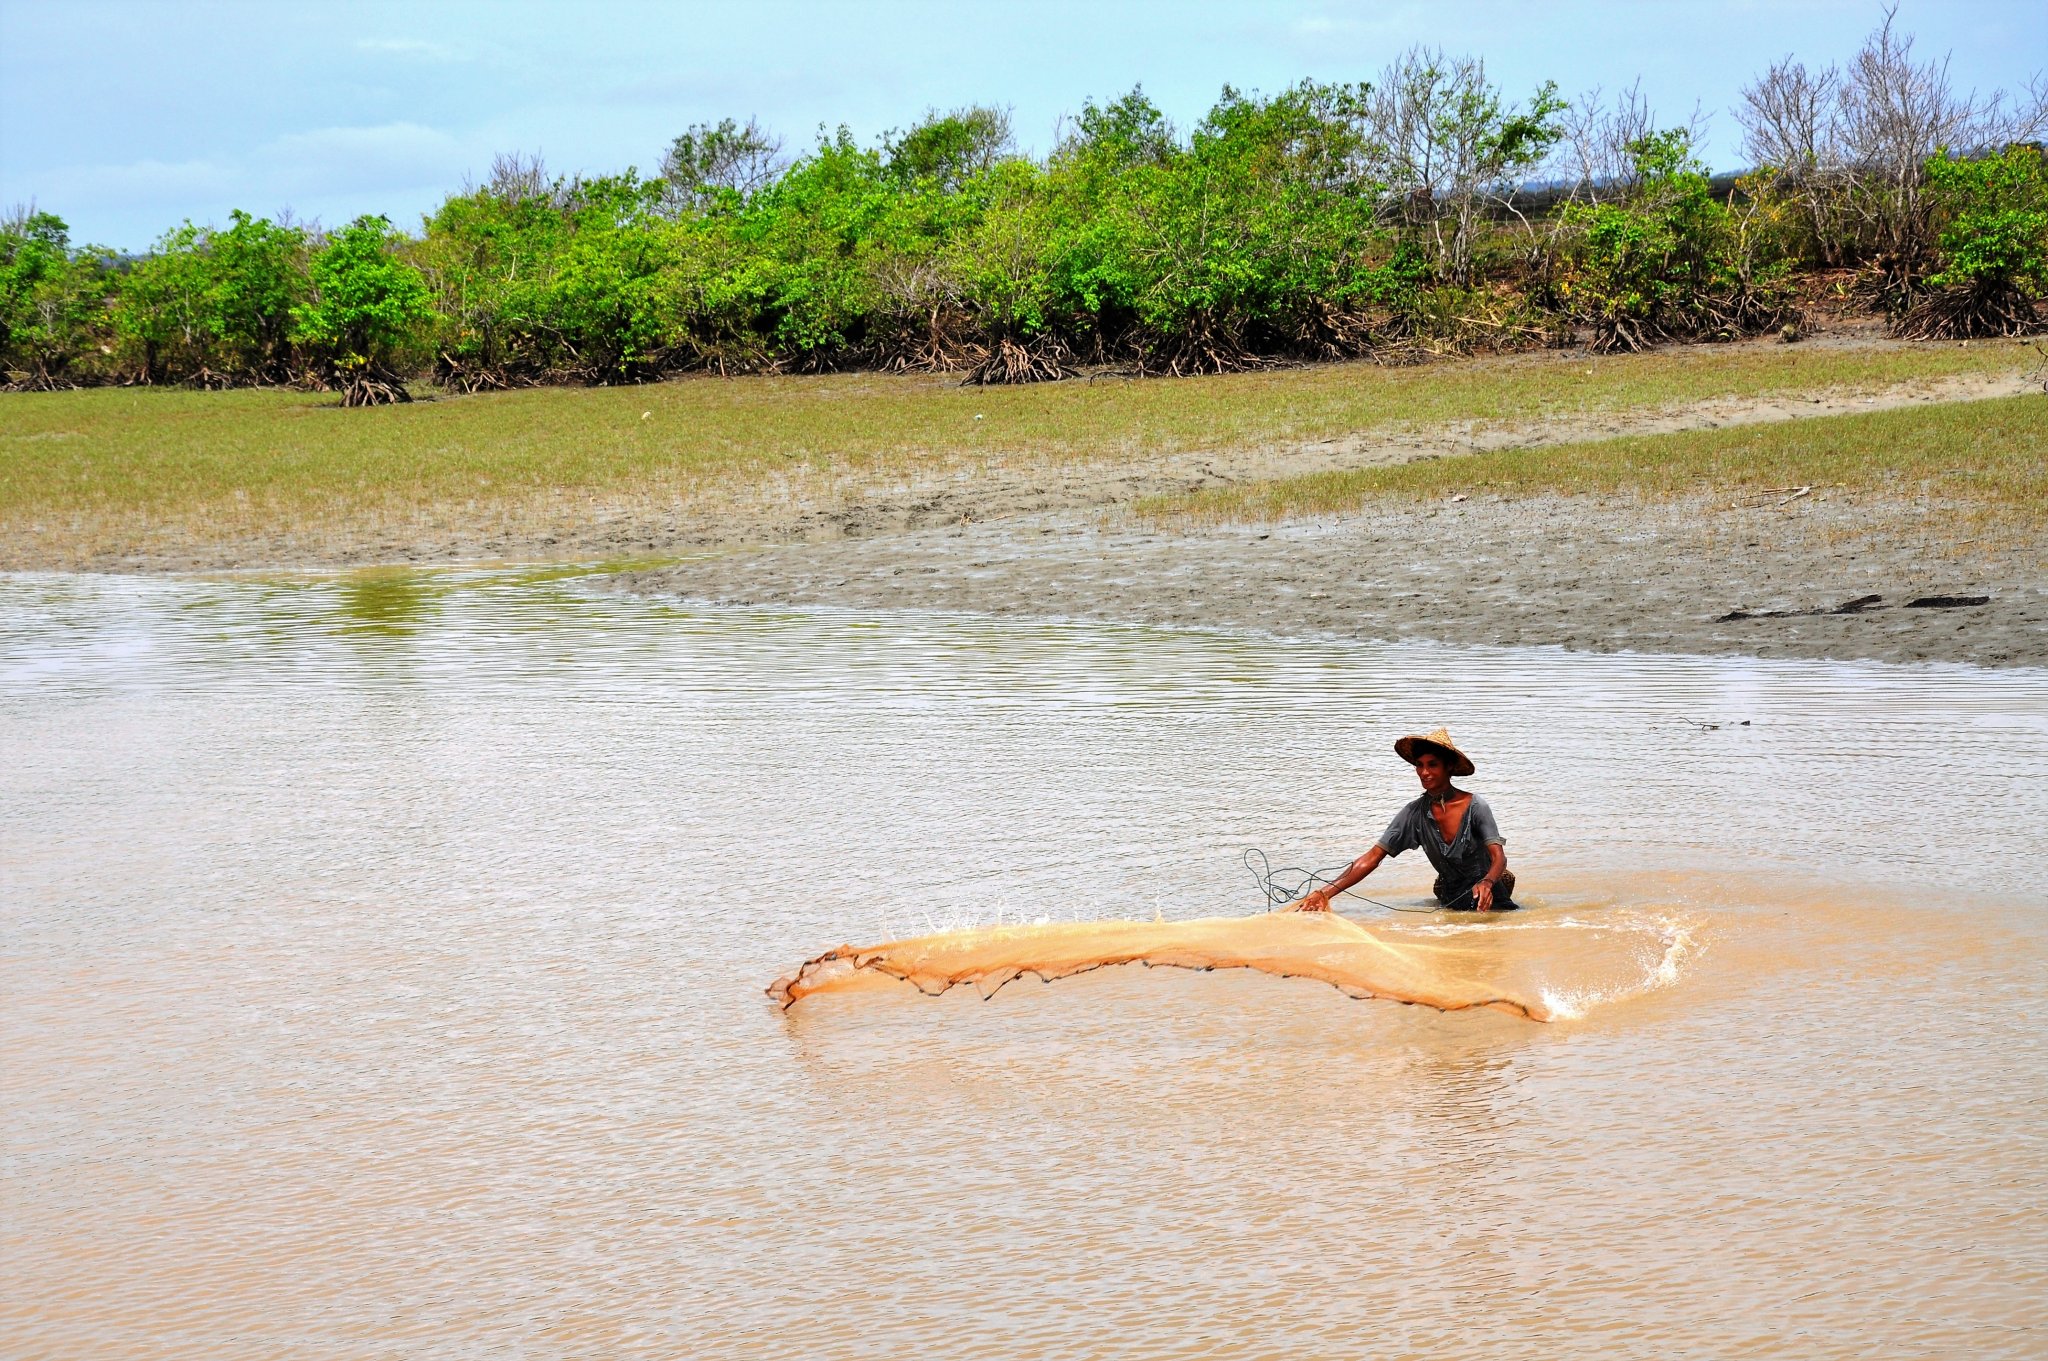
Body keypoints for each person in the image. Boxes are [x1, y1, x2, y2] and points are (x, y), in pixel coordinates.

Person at [1289, 727, 1519, 914]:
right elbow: (1371, 858)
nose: (1424, 772)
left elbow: (1498, 857)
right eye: (1420, 765)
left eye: (1432, 764)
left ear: (1449, 767)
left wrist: (1487, 883)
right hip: (1451, 905)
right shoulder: (1413, 814)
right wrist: (1324, 893)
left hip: (1492, 904)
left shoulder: (1475, 806)